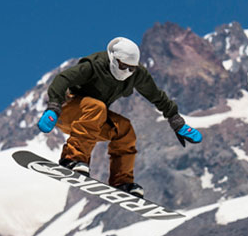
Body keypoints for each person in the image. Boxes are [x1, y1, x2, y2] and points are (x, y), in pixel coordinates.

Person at [36, 36, 203, 196]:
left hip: (93, 120)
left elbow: (157, 96)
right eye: (123, 66)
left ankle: (122, 181)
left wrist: (176, 122)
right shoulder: (95, 64)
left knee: (124, 129)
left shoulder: (136, 74)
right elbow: (62, 78)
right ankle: (72, 158)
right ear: (113, 59)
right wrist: (54, 107)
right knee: (97, 106)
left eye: (132, 68)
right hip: (68, 111)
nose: (127, 72)